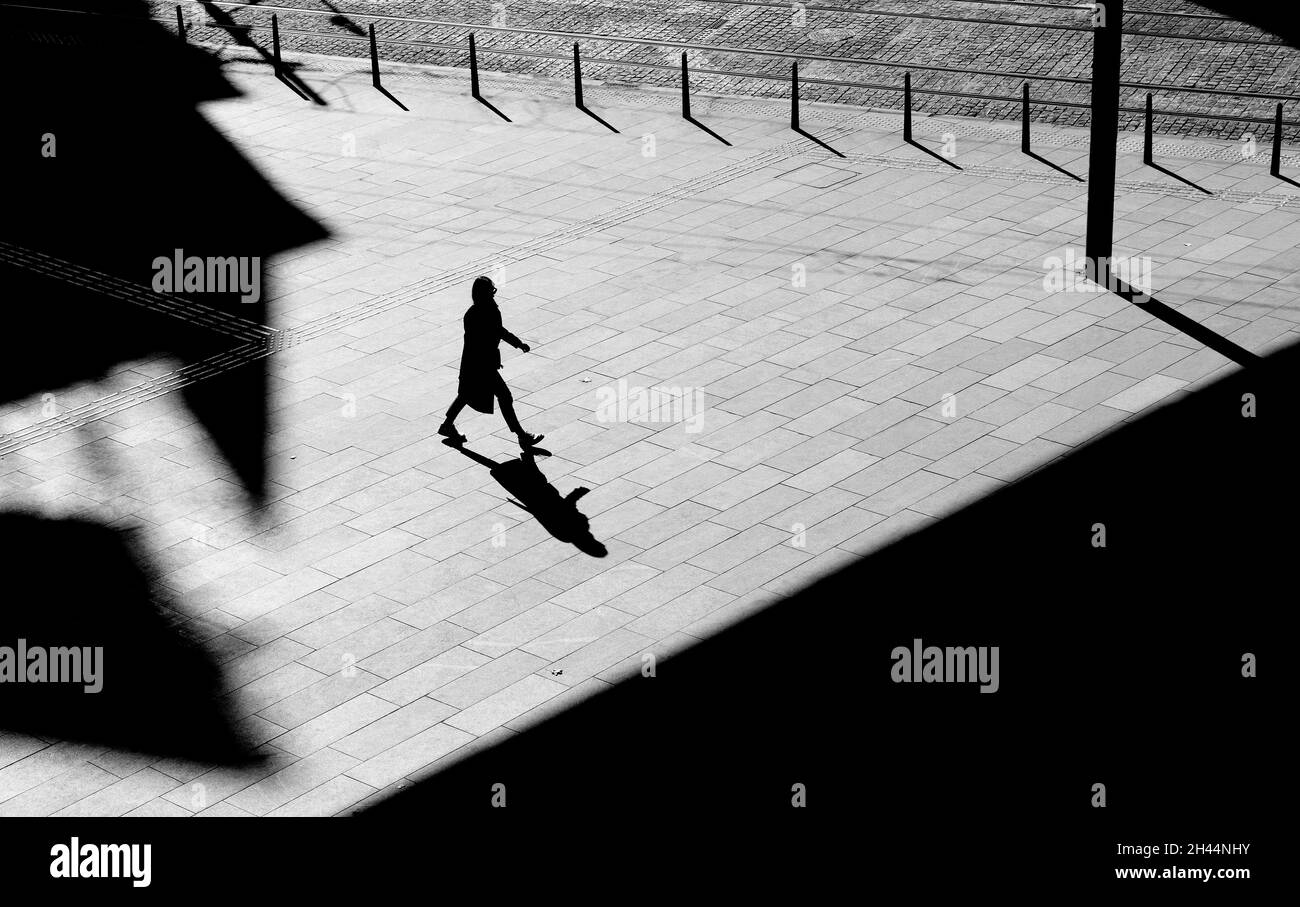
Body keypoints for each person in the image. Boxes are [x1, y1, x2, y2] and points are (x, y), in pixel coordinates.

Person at [439, 276, 543, 447]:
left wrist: (515, 344)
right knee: (504, 396)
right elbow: (494, 334)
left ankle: (447, 425)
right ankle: (521, 435)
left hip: (472, 364)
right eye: (491, 291)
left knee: (466, 394)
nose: (494, 294)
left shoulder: (474, 313)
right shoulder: (486, 311)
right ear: (485, 293)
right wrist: (517, 344)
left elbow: (489, 336)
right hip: (483, 366)